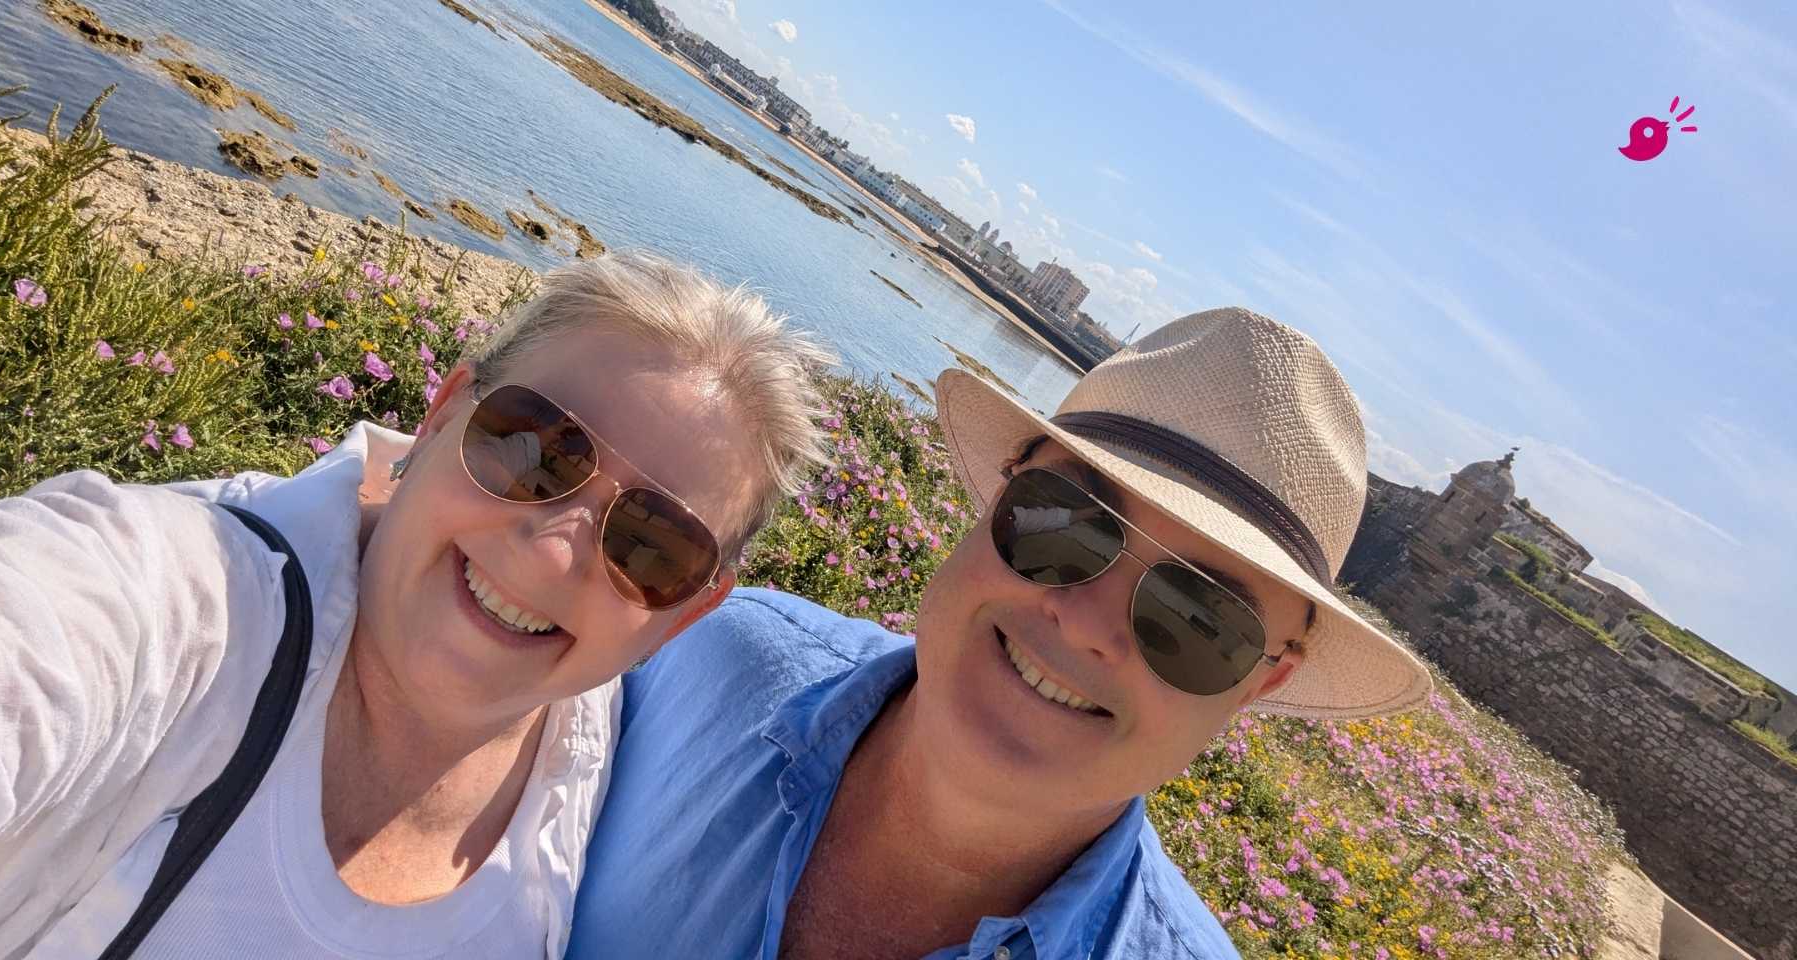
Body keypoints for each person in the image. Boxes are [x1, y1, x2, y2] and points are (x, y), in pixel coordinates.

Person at [0, 251, 835, 960]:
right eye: (534, 445)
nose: (552, 550)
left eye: (651, 544)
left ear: (685, 613)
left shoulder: (587, 752)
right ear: (441, 413)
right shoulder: (181, 607)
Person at [566, 307, 1434, 960]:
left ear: (1261, 682)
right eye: (1064, 521)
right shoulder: (700, 660)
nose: (1086, 622)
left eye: (1200, 619)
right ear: (997, 501)